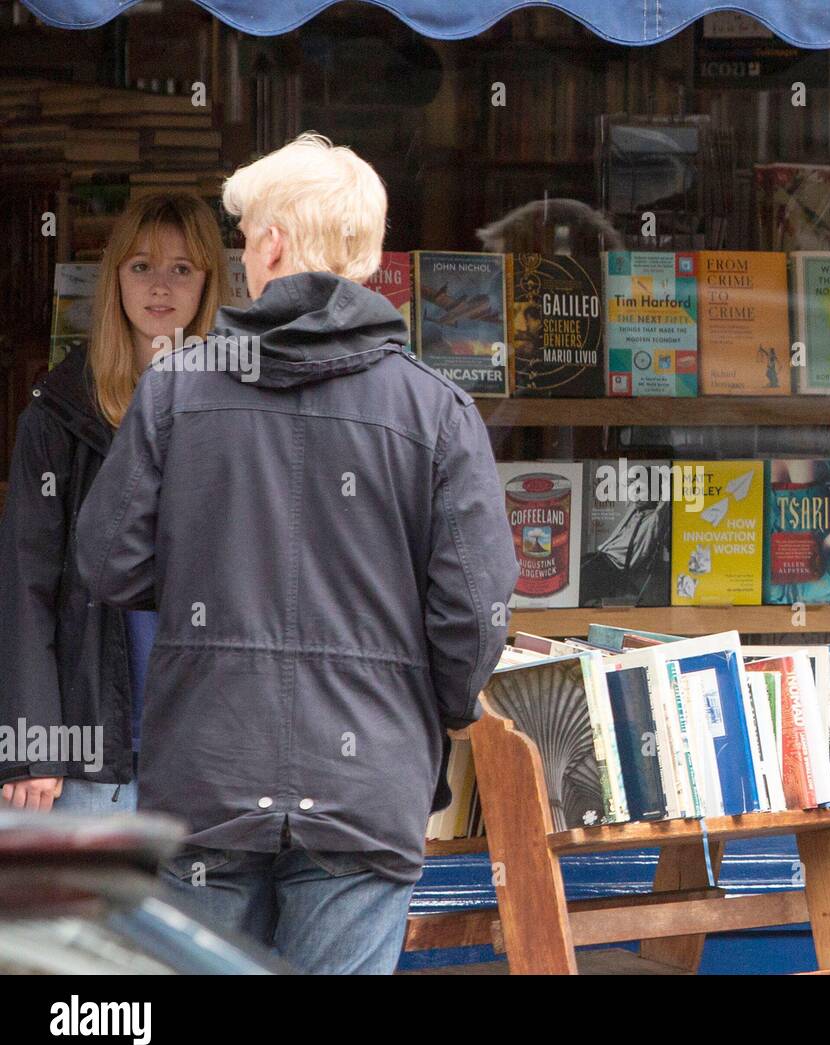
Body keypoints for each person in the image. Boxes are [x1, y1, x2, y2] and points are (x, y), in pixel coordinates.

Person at [74, 133, 519, 974]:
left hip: (207, 774)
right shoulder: (438, 411)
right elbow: (474, 609)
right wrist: (429, 709)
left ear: (274, 245)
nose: (243, 258)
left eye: (245, 240)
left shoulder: (175, 387)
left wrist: (210, 557)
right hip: (365, 784)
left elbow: (108, 564)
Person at [0, 193, 229, 814]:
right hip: (94, 752)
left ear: (209, 281)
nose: (160, 286)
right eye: (141, 266)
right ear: (115, 277)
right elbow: (26, 584)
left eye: (182, 268)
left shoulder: (239, 408)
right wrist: (33, 745)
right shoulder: (60, 412)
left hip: (213, 752)